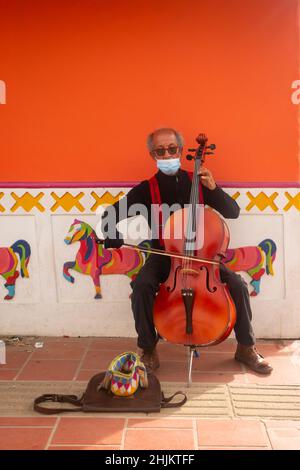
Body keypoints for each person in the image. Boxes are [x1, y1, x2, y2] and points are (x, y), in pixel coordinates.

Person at [100, 128, 273, 375]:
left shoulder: (200, 182)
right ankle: (148, 349)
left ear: (181, 151)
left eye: (172, 149)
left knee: (237, 285)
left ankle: (246, 347)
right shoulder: (146, 189)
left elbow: (233, 212)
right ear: (153, 155)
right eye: (160, 151)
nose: (167, 154)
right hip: (164, 254)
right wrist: (113, 236)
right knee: (141, 286)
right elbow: (110, 215)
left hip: (203, 256)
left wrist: (213, 188)